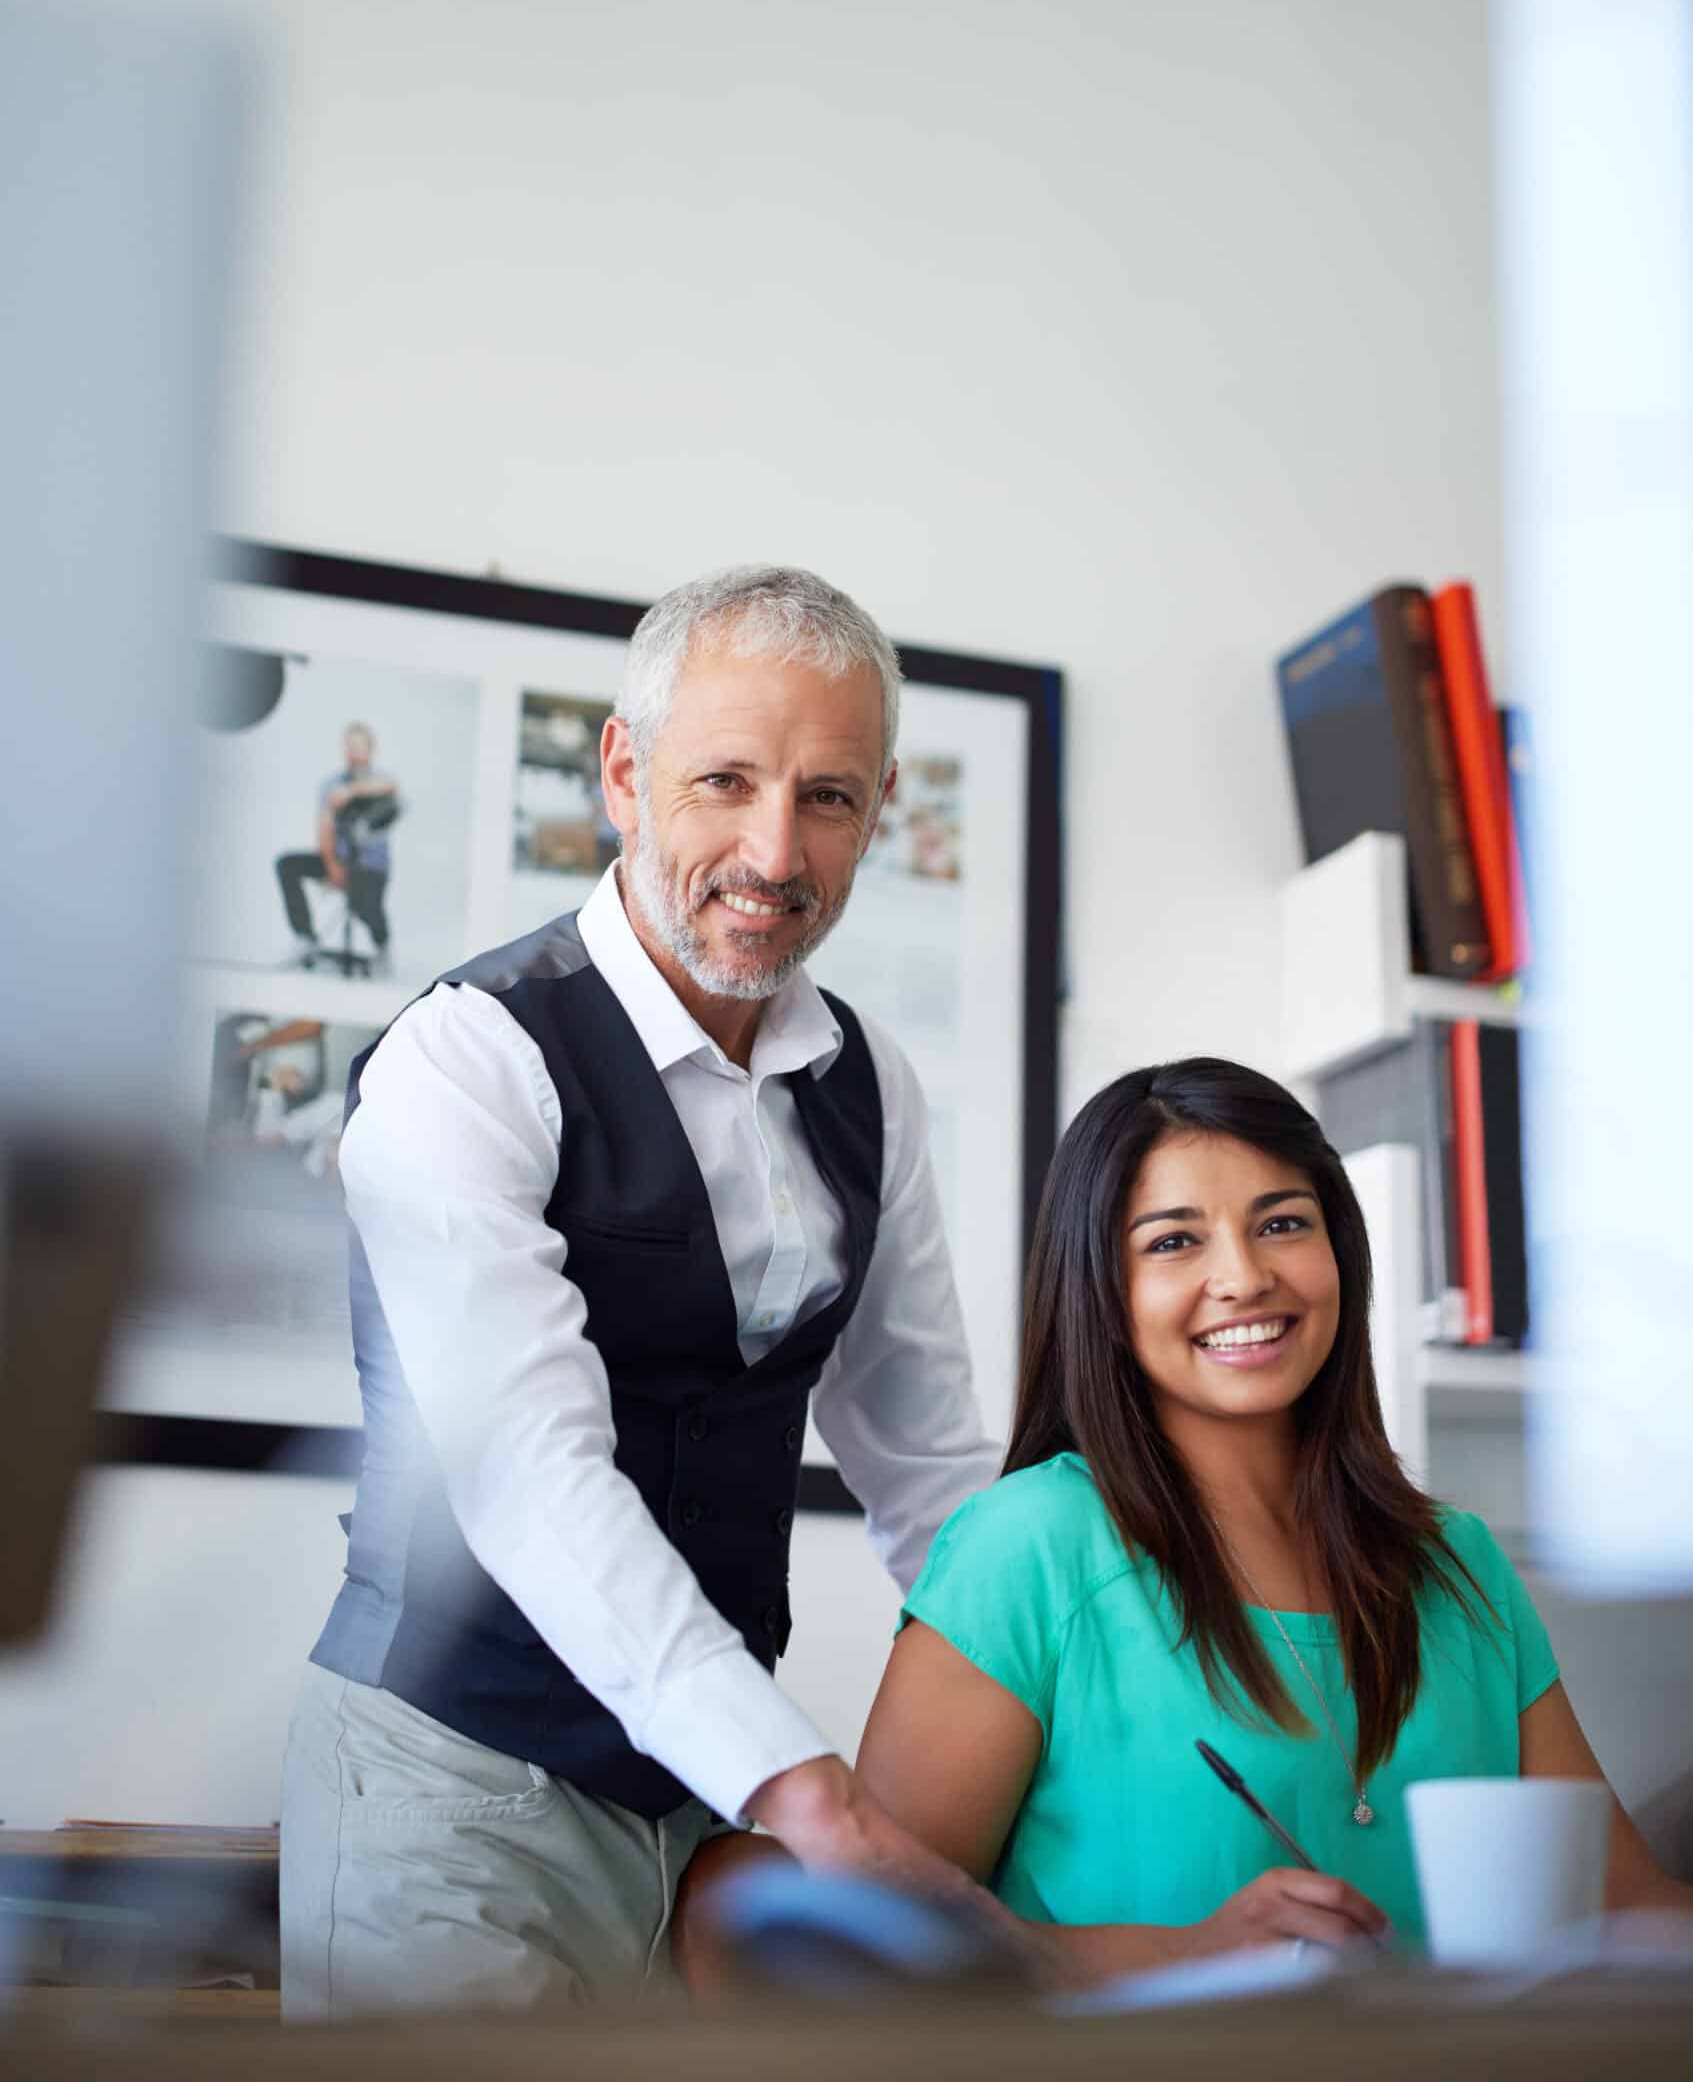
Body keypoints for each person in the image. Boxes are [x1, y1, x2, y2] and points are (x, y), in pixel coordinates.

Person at [278, 566, 1001, 2017]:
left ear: (880, 811)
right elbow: (532, 1472)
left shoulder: (874, 1086)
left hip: (705, 1824)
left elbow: (927, 1469)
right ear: (622, 769)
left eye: (830, 798)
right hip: (454, 1786)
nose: (772, 850)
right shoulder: (466, 1063)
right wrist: (804, 1788)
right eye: (723, 781)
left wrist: (1087, 1699)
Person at [852, 1058, 1693, 1975]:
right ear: (1099, 1286)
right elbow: (868, 1943)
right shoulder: (1028, 1545)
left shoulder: (1459, 1563)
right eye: (1173, 1242)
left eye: (1282, 1224)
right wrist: (1184, 1955)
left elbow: (1628, 1906)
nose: (1244, 1278)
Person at [275, 722, 398, 970]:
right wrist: (332, 866)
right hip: (340, 859)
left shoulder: (381, 782)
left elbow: (390, 786)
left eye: (360, 746)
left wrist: (350, 791)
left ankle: (383, 947)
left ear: (371, 749)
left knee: (365, 905)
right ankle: (304, 937)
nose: (354, 752)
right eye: (350, 746)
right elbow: (324, 828)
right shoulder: (331, 785)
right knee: (287, 865)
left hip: (370, 868)